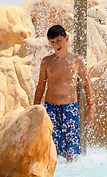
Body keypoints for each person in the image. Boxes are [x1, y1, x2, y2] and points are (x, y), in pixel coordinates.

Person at [34, 25, 94, 161]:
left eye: (58, 40)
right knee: (51, 146)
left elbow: (86, 85)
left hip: (70, 108)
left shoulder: (77, 61)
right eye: (52, 42)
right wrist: (35, 109)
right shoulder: (46, 62)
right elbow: (40, 87)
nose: (56, 45)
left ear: (66, 38)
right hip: (51, 108)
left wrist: (90, 106)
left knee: (71, 150)